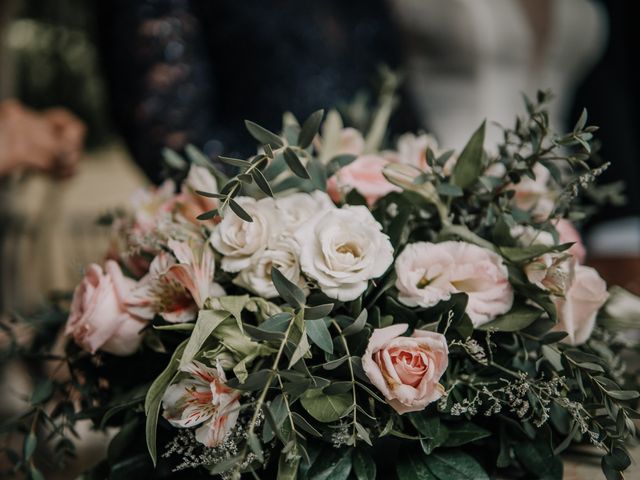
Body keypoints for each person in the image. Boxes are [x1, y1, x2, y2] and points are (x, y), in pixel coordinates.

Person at [0, 99, 85, 178]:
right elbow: (57, 116)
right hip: (13, 124)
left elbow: (58, 174)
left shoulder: (50, 163)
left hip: (10, 153)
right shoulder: (72, 133)